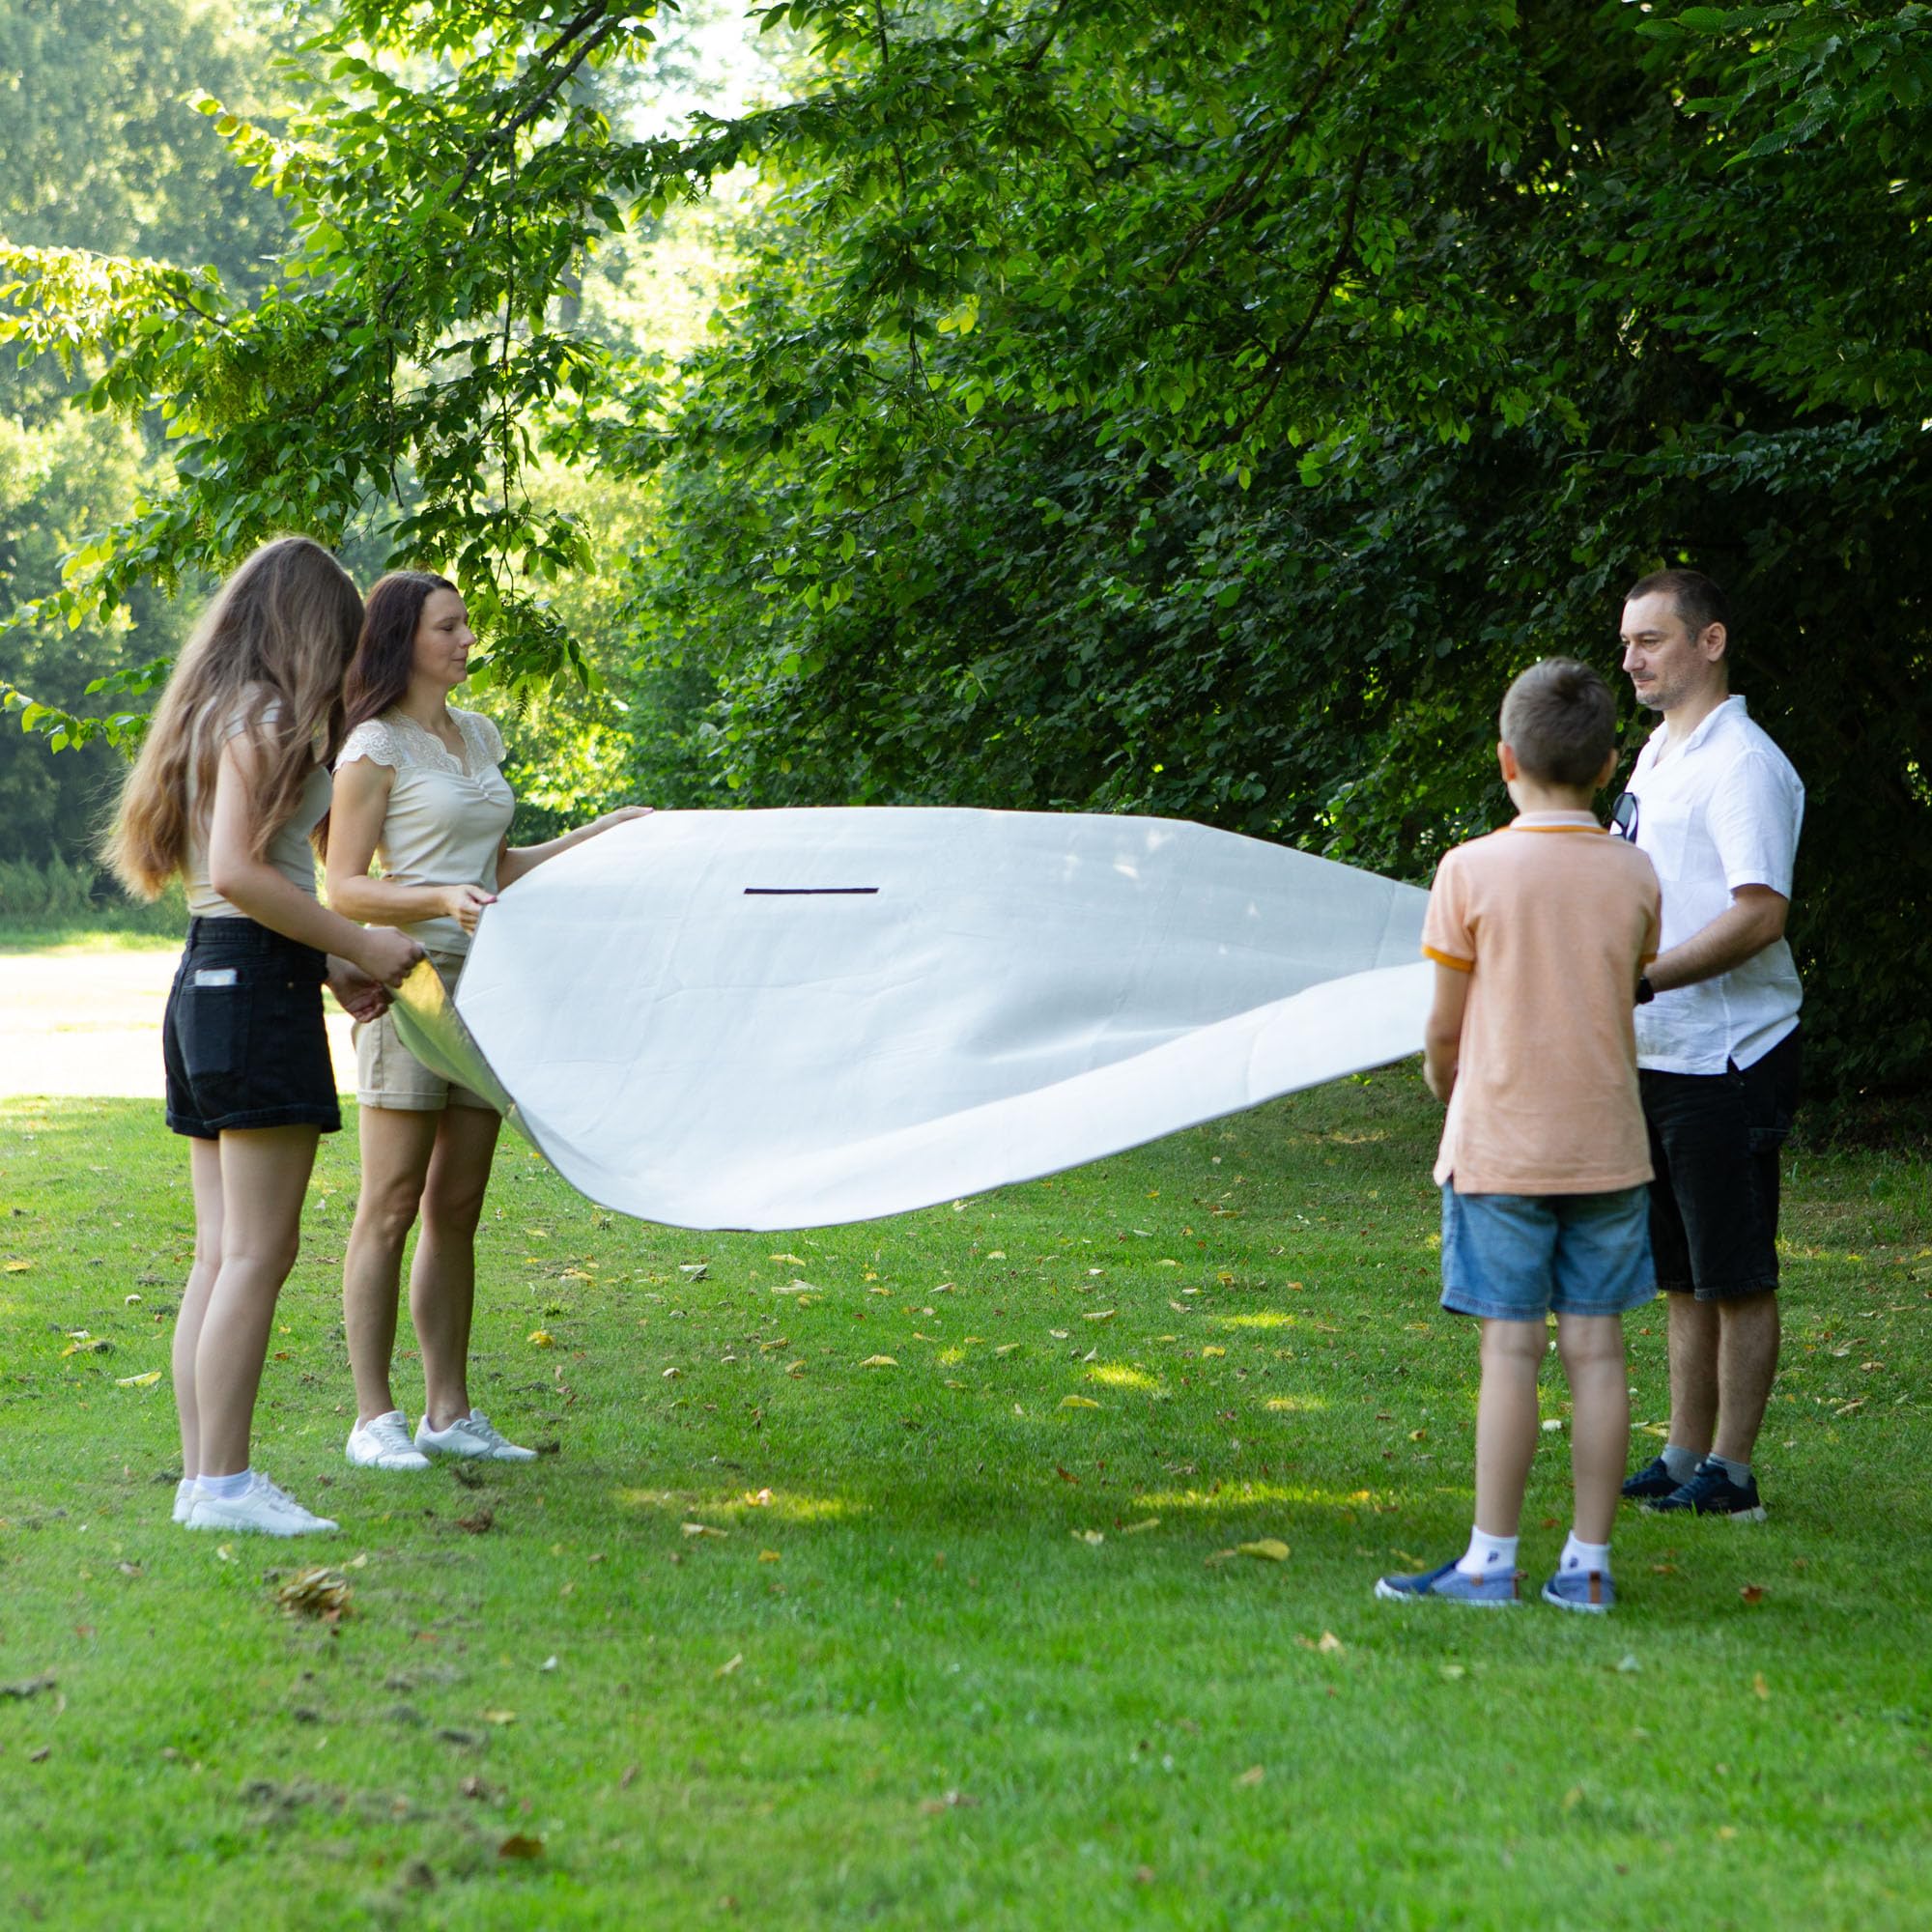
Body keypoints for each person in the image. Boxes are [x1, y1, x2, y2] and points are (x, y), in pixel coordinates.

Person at [105, 536, 423, 1536]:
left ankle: (209, 1480)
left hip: (211, 976)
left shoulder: (214, 710)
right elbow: (245, 871)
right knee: (257, 1251)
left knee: (222, 1251)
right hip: (247, 987)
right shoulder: (264, 716)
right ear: (307, 624)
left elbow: (235, 880)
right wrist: (359, 944)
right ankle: (225, 1483)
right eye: (340, 634)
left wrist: (326, 959)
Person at [324, 572, 650, 1470]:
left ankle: (448, 1412)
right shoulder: (373, 747)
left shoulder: (476, 735)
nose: (468, 639)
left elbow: (500, 865)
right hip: (411, 982)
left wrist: (604, 833)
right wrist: (435, 898)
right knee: (388, 1205)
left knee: (456, 1207)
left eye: (467, 624)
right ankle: (373, 1417)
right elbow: (344, 886)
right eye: (450, 626)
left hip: (493, 989)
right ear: (403, 640)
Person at [1377, 659, 1661, 1612]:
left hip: (1499, 1144)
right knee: (1598, 1349)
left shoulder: (1467, 869)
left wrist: (1439, 1081)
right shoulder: (1634, 872)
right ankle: (1586, 1562)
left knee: (1510, 1349)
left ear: (1504, 758)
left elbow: (1445, 1030)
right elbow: (1624, 974)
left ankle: (1488, 1559)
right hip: (1608, 1144)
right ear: (1607, 763)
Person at [1614, 569, 1804, 1520]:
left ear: (1709, 641)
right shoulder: (1655, 751)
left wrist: (1643, 978)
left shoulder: (1742, 763)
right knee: (1679, 1272)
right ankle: (1683, 1450)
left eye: (1649, 639)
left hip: (1728, 1055)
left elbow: (1759, 913)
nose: (1631, 659)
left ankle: (1730, 1474)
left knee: (1732, 1272)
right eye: (1624, 643)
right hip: (1656, 1052)